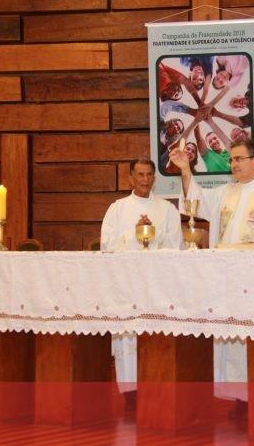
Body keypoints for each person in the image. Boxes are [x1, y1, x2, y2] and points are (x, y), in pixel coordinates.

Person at [169, 139, 254, 412]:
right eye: (232, 160)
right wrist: (185, 170)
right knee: (232, 340)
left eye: (239, 159)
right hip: (228, 280)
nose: (233, 164)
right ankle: (240, 398)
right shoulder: (226, 192)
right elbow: (197, 204)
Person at [100, 158, 182, 408]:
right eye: (140, 175)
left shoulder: (167, 209)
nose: (145, 179)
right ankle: (130, 393)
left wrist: (153, 233)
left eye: (149, 175)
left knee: (156, 334)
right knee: (128, 336)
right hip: (127, 284)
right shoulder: (118, 209)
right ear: (130, 178)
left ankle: (159, 386)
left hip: (158, 285)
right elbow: (106, 245)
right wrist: (135, 234)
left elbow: (177, 246)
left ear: (154, 179)